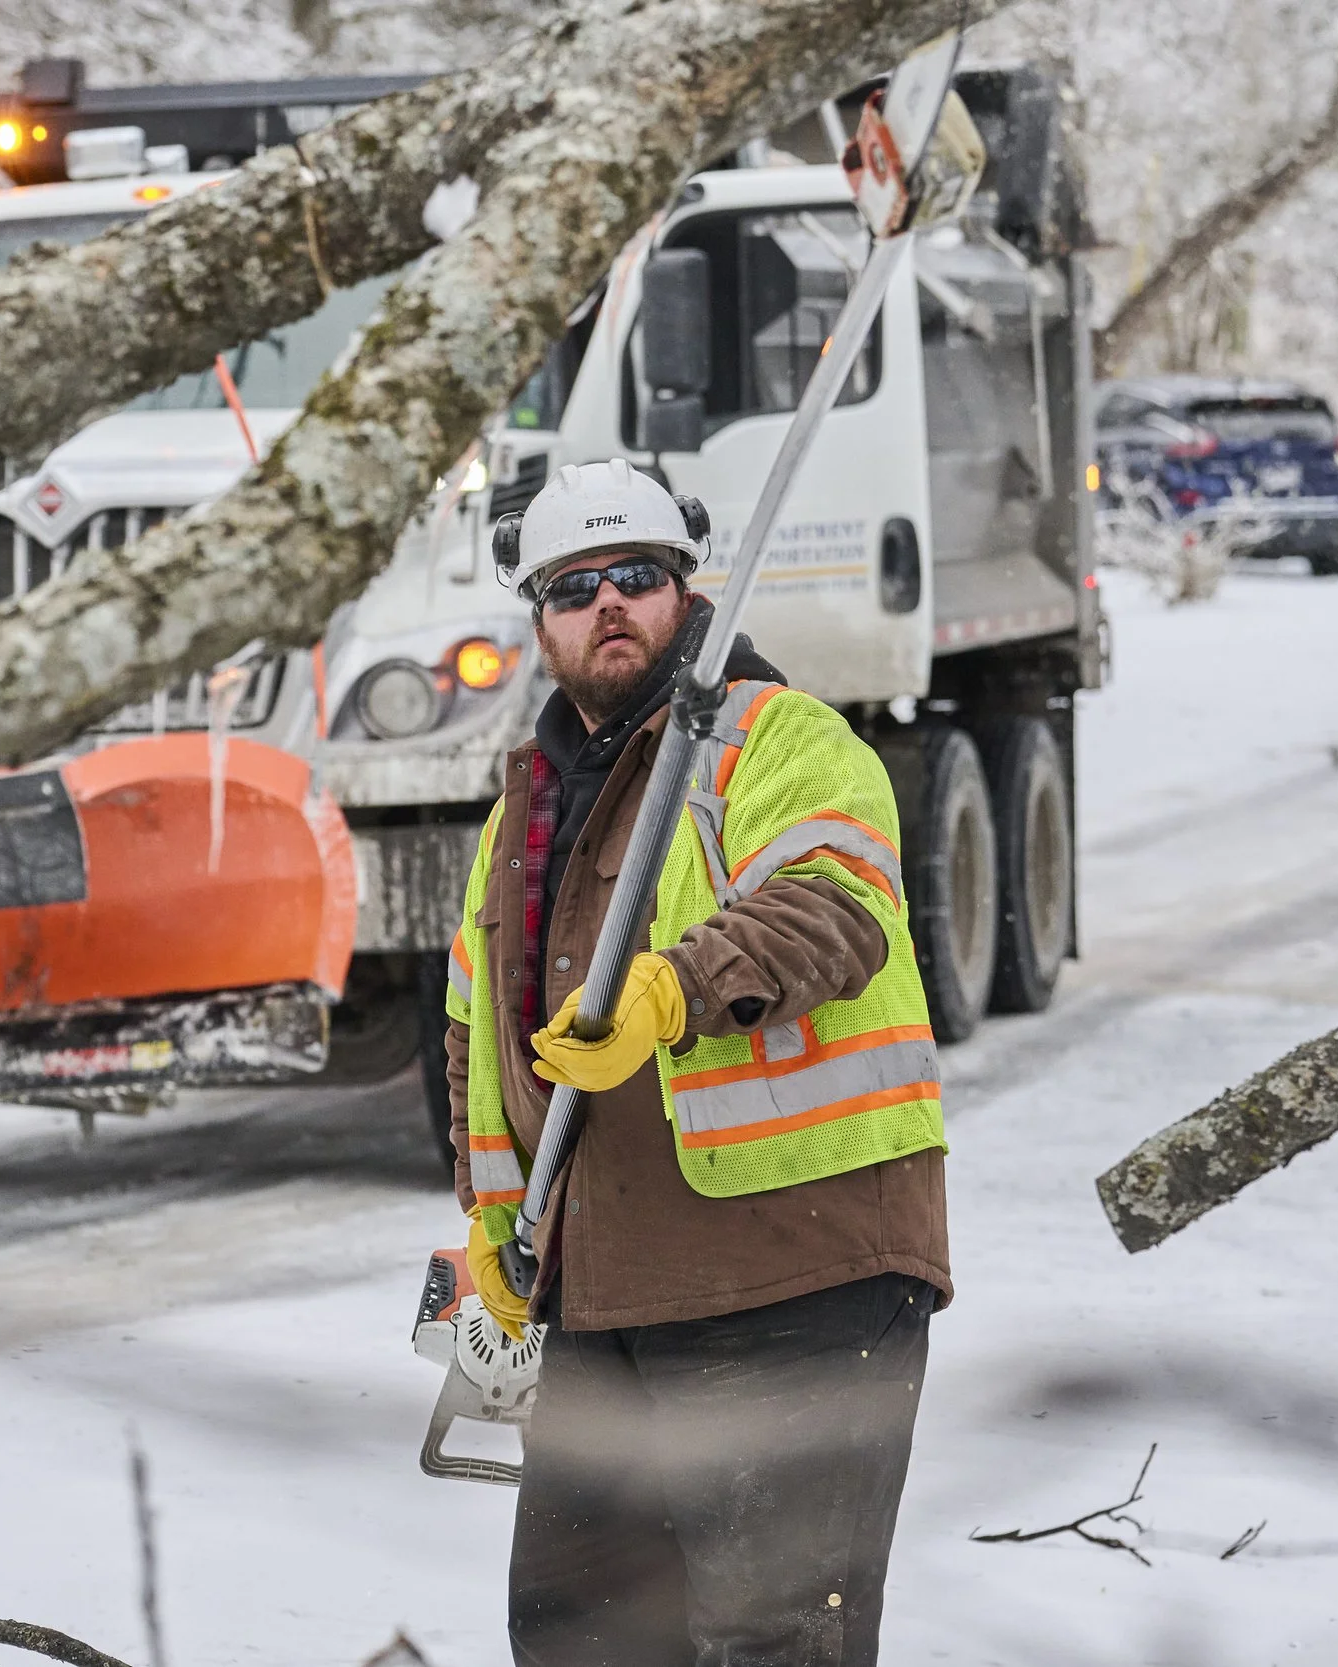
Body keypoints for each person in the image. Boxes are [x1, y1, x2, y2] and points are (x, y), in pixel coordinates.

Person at [442, 458, 951, 1667]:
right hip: (597, 1294)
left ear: (685, 591)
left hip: (792, 1273)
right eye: (575, 586)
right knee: (579, 1634)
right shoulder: (523, 810)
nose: (607, 603)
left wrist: (675, 987)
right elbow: (476, 1040)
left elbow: (832, 904)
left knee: (770, 1638)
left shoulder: (776, 739)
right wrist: (491, 1224)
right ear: (538, 619)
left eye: (636, 576)